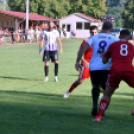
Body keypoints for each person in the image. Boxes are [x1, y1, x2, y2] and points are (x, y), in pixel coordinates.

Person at [75, 22, 119, 117]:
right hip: (107, 67)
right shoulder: (115, 39)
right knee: (107, 91)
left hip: (94, 67)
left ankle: (95, 105)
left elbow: (82, 49)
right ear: (111, 30)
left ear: (101, 29)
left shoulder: (94, 37)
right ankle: (101, 112)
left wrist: (77, 62)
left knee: (95, 86)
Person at [94, 29, 134, 122]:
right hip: (128, 69)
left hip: (115, 70)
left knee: (107, 94)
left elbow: (104, 61)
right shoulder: (131, 46)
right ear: (129, 38)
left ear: (119, 37)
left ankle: (98, 117)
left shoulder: (113, 45)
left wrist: (103, 55)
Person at [63, 25, 98, 98]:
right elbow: (80, 53)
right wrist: (84, 62)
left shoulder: (100, 41)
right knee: (80, 81)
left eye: (95, 32)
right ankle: (69, 91)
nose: (94, 34)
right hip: (86, 65)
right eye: (92, 32)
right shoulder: (86, 41)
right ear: (90, 32)